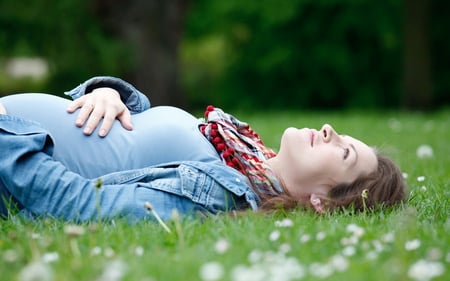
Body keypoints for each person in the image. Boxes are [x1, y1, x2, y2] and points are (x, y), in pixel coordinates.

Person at [0, 76, 407, 223]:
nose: (329, 130)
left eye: (343, 152)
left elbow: (80, 205)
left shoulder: (218, 195)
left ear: (322, 201)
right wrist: (108, 92)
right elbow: (138, 129)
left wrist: (6, 135)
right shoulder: (237, 147)